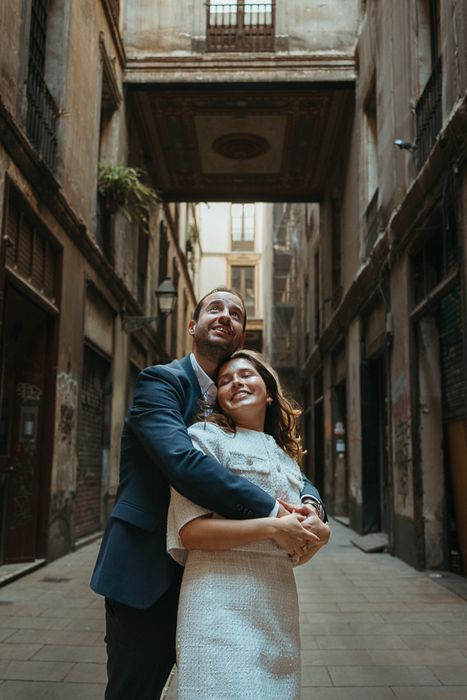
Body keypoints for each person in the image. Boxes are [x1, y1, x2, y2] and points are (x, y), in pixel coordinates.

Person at [90, 287, 329, 699]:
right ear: (192, 325)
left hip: (218, 579)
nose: (224, 316)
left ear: (241, 336)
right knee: (136, 690)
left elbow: (278, 456)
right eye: (214, 308)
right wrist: (275, 514)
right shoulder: (161, 382)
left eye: (235, 314)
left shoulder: (237, 405)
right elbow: (183, 462)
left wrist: (312, 507)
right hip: (147, 573)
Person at [168, 349, 327, 699]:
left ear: (269, 391)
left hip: (278, 605)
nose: (235, 382)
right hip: (217, 601)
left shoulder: (285, 456)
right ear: (218, 398)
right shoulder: (205, 438)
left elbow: (305, 527)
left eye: (245, 375)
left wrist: (319, 531)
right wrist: (272, 528)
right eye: (225, 381)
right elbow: (191, 532)